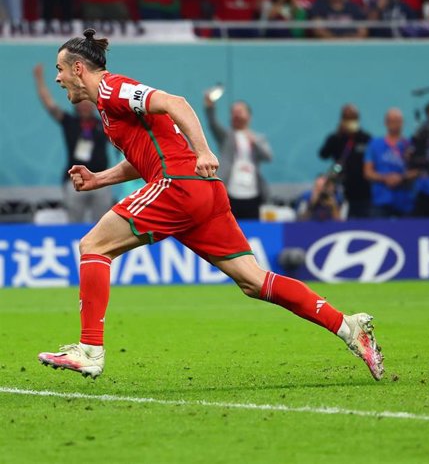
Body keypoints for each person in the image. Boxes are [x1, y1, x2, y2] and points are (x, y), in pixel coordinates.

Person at [37, 29, 384, 381]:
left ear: (79, 68)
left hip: (179, 185)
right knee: (253, 280)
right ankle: (348, 327)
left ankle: (90, 350)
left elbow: (177, 103)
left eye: (60, 69)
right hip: (202, 192)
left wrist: (204, 150)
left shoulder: (112, 88)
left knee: (94, 246)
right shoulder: (107, 108)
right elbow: (142, 157)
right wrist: (99, 179)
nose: (57, 77)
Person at [33, 63, 112, 223]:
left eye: (87, 101)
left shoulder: (102, 123)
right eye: (80, 101)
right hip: (75, 180)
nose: (84, 105)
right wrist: (39, 79)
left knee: (104, 223)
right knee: (74, 222)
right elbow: (49, 105)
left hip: (102, 179)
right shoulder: (70, 122)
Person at [204, 95, 272, 220]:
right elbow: (213, 125)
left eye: (240, 112)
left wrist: (253, 141)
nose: (236, 115)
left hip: (253, 194)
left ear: (248, 116)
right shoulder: (227, 137)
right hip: (230, 192)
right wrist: (210, 107)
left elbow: (268, 156)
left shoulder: (258, 138)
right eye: (233, 112)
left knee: (252, 229)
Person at [319, 104, 372, 218]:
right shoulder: (335, 138)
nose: (350, 121)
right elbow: (323, 154)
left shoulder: (366, 138)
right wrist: (338, 135)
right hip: (342, 188)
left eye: (353, 118)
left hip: (364, 191)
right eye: (347, 118)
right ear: (342, 120)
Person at [363, 108, 415, 218]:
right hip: (380, 199)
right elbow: (367, 172)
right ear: (385, 123)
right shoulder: (375, 144)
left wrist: (401, 178)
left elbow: (417, 170)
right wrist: (385, 178)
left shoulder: (410, 145)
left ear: (402, 123)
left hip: (405, 200)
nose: (395, 124)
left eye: (397, 121)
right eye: (391, 121)